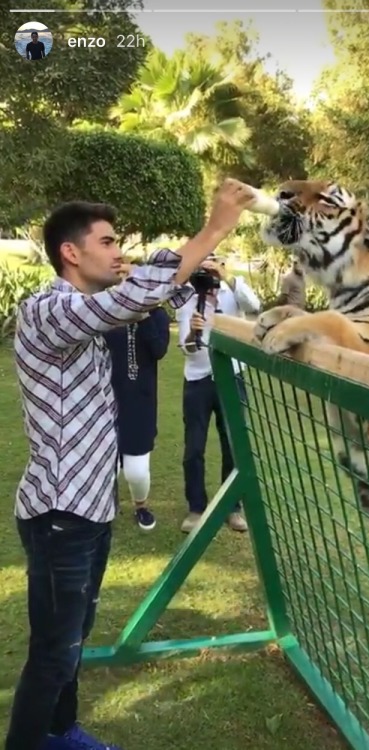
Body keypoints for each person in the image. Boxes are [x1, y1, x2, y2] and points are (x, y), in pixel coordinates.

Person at [7, 178, 255, 750]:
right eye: (109, 241)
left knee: (75, 637)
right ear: (71, 252)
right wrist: (213, 225)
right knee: (53, 651)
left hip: (89, 509)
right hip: (59, 514)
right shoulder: (48, 308)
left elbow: (149, 299)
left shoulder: (90, 314)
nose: (121, 251)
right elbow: (135, 296)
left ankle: (59, 733)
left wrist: (197, 280)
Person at [176, 256, 261, 534]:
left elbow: (255, 306)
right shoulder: (188, 299)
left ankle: (232, 508)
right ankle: (196, 509)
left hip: (231, 378)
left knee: (233, 445)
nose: (208, 270)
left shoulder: (232, 292)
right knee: (194, 449)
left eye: (214, 264)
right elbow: (186, 348)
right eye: (204, 265)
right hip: (198, 380)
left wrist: (226, 276)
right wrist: (193, 333)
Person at [104, 305, 171, 531]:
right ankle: (104, 505)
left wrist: (143, 317)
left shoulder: (157, 315)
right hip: (105, 398)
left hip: (140, 401)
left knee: (137, 470)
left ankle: (141, 505)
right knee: (105, 462)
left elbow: (159, 349)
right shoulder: (108, 308)